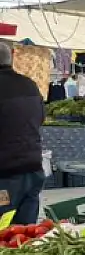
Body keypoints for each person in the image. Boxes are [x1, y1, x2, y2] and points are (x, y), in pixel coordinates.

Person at [0, 43, 46, 225]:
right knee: (26, 233)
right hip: (33, 169)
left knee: (3, 233)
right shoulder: (30, 85)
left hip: (5, 175)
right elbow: (40, 119)